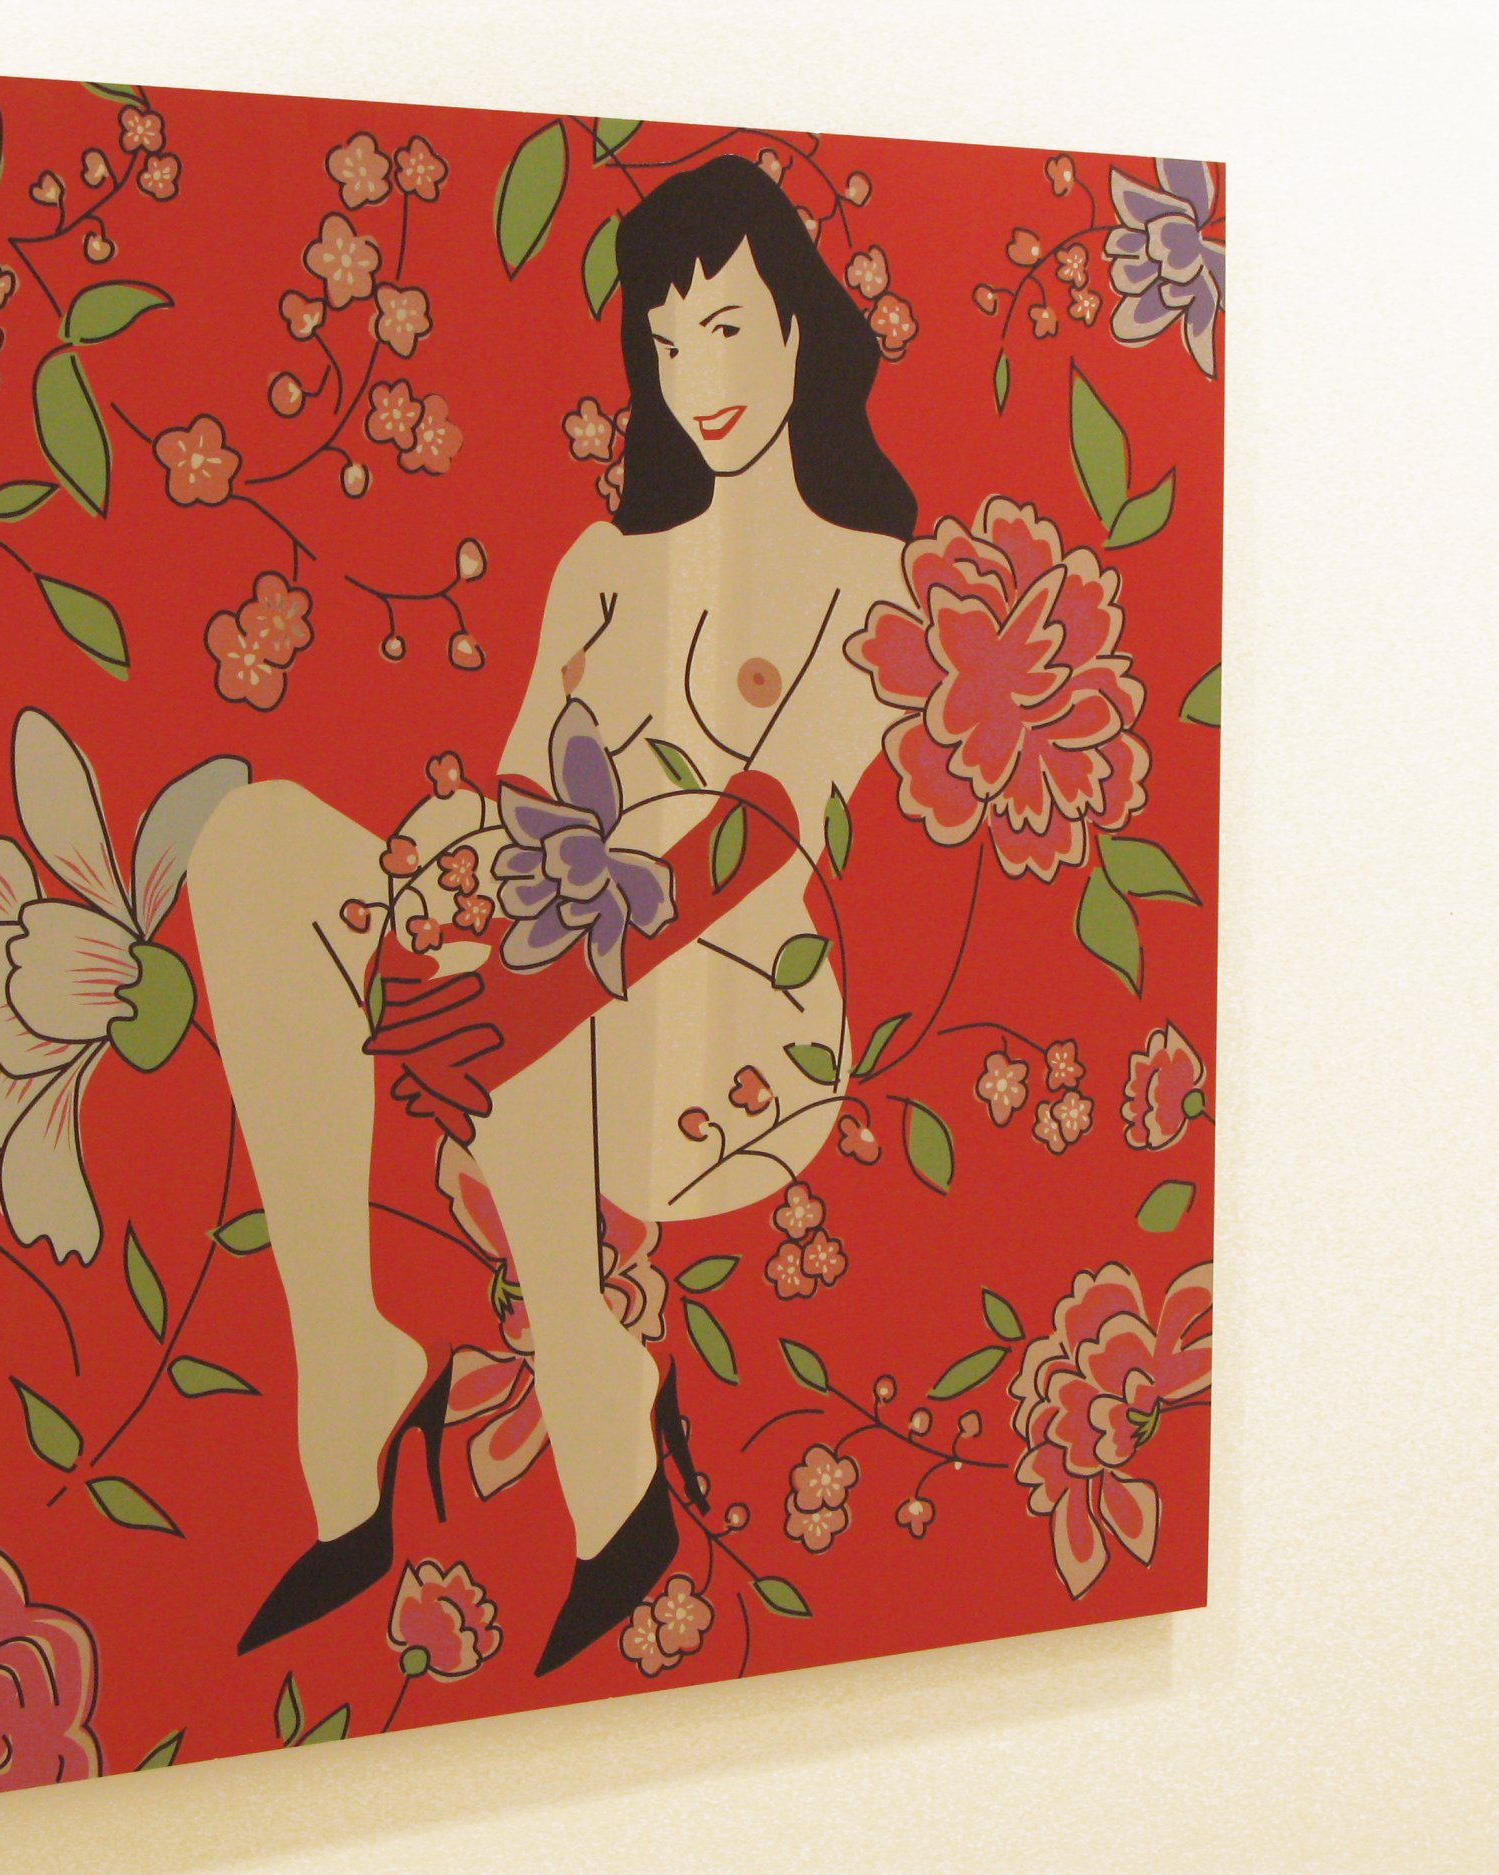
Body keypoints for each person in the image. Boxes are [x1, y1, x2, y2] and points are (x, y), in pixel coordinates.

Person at [190, 153, 918, 1674]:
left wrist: (526, 991)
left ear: (799, 326)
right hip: (548, 991)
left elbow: (766, 834)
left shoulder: (876, 580)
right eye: (668, 344)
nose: (699, 379)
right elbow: (522, 802)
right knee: (255, 845)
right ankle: (349, 1358)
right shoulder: (603, 564)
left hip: (741, 1039)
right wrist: (419, 929)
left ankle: (596, 1393)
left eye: (728, 328)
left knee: (529, 930)